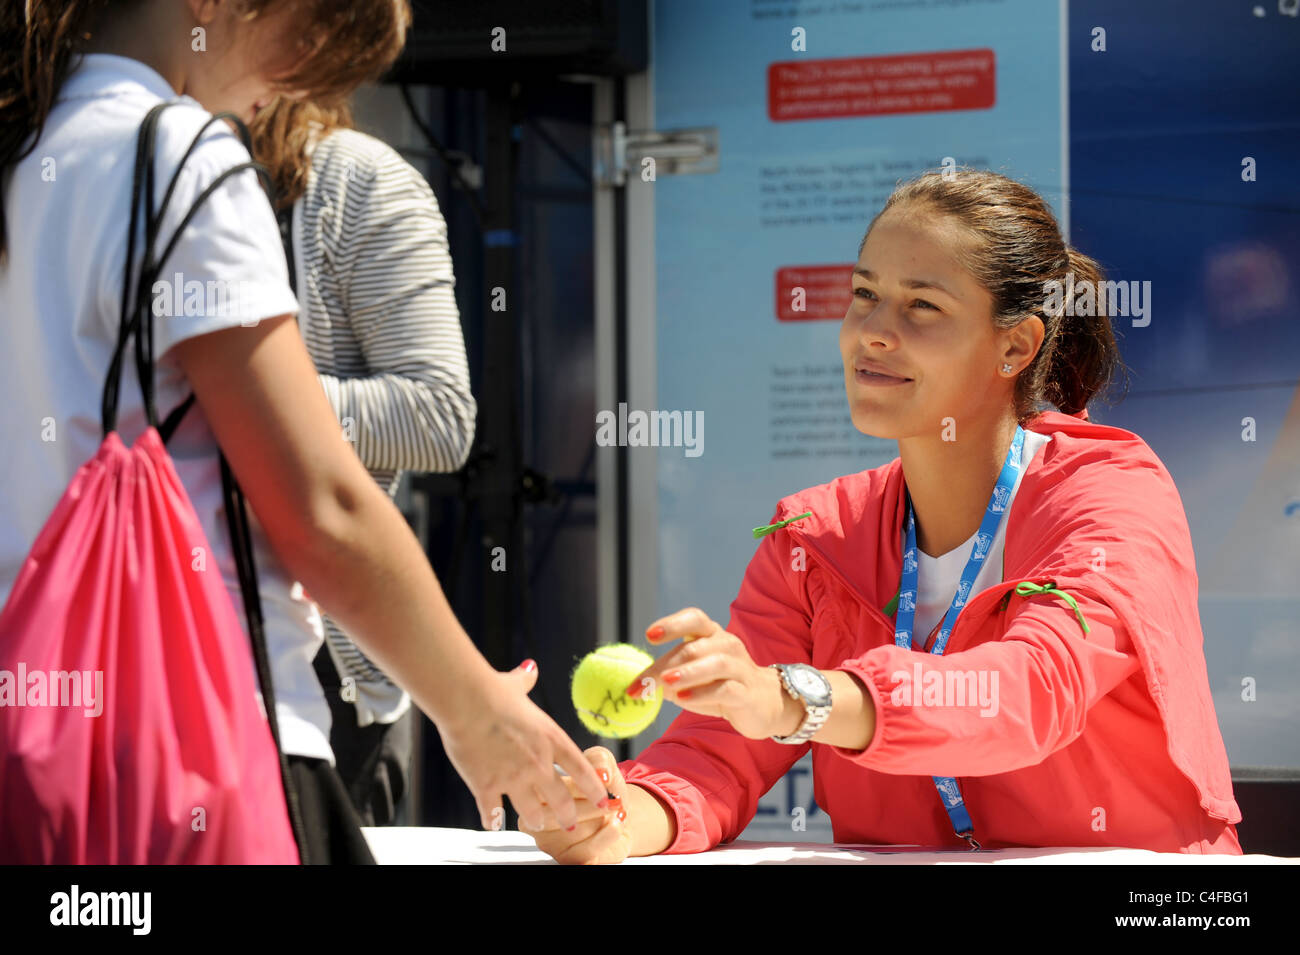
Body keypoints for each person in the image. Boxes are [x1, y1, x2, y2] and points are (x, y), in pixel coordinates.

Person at [0, 0, 606, 863]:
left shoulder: (32, 149)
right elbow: (322, 505)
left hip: (44, 747)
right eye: (313, 29)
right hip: (208, 746)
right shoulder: (175, 154)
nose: (303, 75)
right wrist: (476, 710)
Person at [524, 168, 1244, 863]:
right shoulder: (813, 533)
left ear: (1016, 345)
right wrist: (614, 816)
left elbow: (1033, 688)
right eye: (864, 294)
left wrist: (794, 696)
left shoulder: (1111, 494)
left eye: (922, 306)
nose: (872, 330)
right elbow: (716, 755)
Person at [247, 94, 476, 825]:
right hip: (152, 656)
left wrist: (247, 393)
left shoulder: (357, 180)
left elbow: (439, 418)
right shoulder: (123, 165)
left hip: (324, 674)